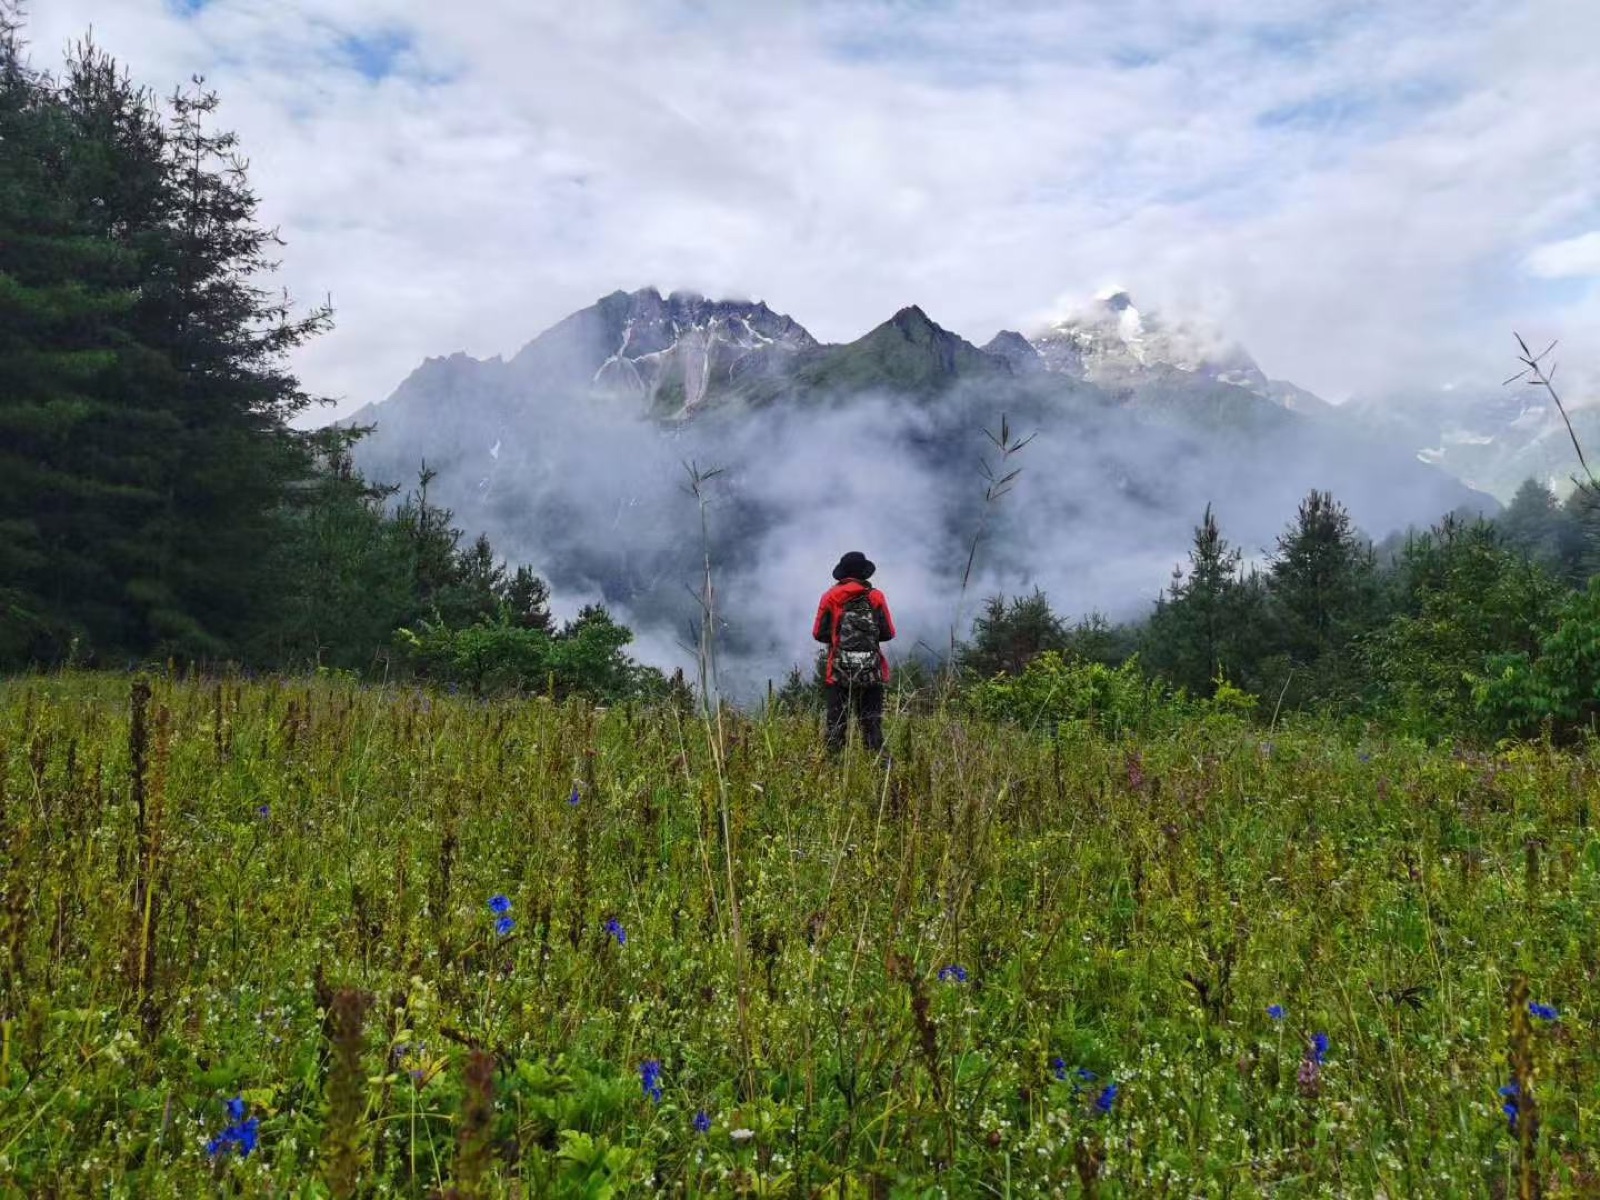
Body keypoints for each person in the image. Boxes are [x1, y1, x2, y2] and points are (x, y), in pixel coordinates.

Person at [813, 550, 895, 754]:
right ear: (864, 573)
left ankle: (834, 771)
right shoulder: (876, 596)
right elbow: (888, 633)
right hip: (871, 671)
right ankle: (879, 770)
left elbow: (818, 633)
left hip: (838, 671)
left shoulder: (830, 596)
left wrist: (838, 639)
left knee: (836, 726)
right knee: (872, 725)